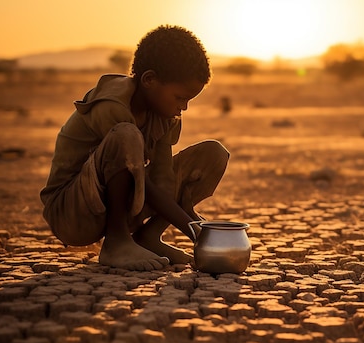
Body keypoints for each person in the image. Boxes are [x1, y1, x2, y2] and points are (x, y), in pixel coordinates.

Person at [40, 25, 229, 271]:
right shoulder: (112, 106)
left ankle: (147, 238)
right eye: (180, 97)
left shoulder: (164, 115)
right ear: (149, 80)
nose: (184, 107)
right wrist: (193, 230)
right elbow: (145, 186)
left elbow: (163, 181)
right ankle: (116, 242)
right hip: (73, 211)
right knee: (126, 135)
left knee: (212, 154)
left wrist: (199, 228)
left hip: (119, 200)